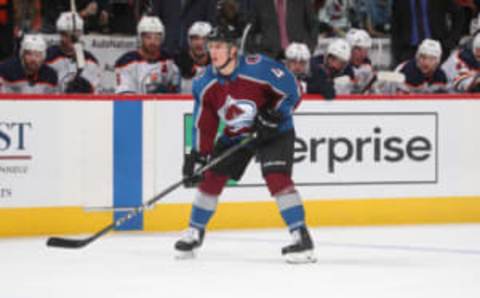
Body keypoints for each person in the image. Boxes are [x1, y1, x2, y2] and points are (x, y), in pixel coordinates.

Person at [175, 25, 316, 264]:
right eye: (211, 47)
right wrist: (198, 155)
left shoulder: (259, 67)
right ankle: (195, 231)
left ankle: (300, 237)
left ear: (233, 50)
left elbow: (294, 90)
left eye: (219, 47)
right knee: (210, 178)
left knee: (277, 177)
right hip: (237, 135)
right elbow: (204, 122)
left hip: (274, 131)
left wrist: (274, 114)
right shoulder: (204, 82)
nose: (213, 52)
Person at [114, 16, 181, 94]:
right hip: (137, 105)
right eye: (148, 37)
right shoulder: (126, 62)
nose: (153, 42)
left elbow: (176, 91)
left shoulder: (168, 60)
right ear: (140, 38)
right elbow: (125, 97)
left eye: (157, 38)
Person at [45, 12, 101, 93]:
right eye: (64, 34)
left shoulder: (90, 61)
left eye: (74, 34)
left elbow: (94, 92)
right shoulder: (47, 57)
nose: (70, 38)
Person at [175, 21, 212, 93]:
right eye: (195, 38)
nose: (200, 43)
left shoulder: (218, 67)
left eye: (205, 39)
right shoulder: (177, 65)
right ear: (189, 41)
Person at [345, 28, 375, 93]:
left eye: (366, 50)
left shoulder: (367, 67)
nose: (362, 54)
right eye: (358, 49)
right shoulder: (338, 68)